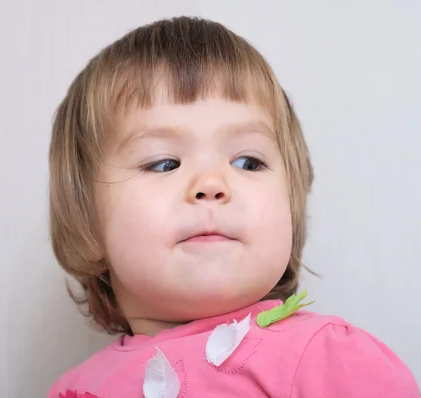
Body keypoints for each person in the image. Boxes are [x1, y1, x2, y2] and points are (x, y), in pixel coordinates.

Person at [46, 16, 420, 397]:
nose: (211, 185)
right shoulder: (76, 390)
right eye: (164, 163)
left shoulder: (330, 361)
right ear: (86, 220)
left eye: (248, 162)